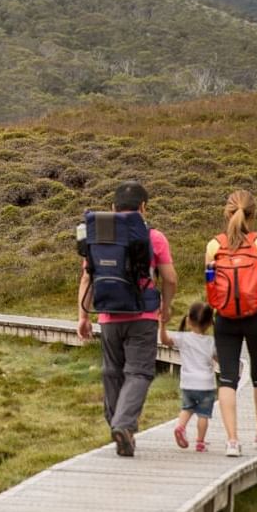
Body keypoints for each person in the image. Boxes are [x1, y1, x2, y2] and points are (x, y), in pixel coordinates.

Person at [75, 181, 178, 457]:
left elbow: (88, 276)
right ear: (143, 207)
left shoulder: (98, 235)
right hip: (143, 315)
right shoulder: (154, 237)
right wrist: (165, 308)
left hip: (108, 315)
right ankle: (123, 425)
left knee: (112, 371)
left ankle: (119, 429)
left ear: (112, 208)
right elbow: (169, 278)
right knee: (139, 372)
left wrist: (83, 316)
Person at [206, 189, 257, 457]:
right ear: (255, 214)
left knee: (227, 378)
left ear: (226, 213)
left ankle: (231, 441)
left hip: (225, 318)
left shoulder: (214, 245)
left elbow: (210, 285)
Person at [172, 302, 217, 453]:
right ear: (210, 323)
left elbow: (166, 340)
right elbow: (219, 359)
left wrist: (161, 323)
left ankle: (180, 427)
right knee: (203, 415)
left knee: (187, 408)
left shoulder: (182, 338)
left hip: (188, 383)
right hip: (206, 385)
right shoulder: (211, 342)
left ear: (188, 320)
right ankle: (200, 442)